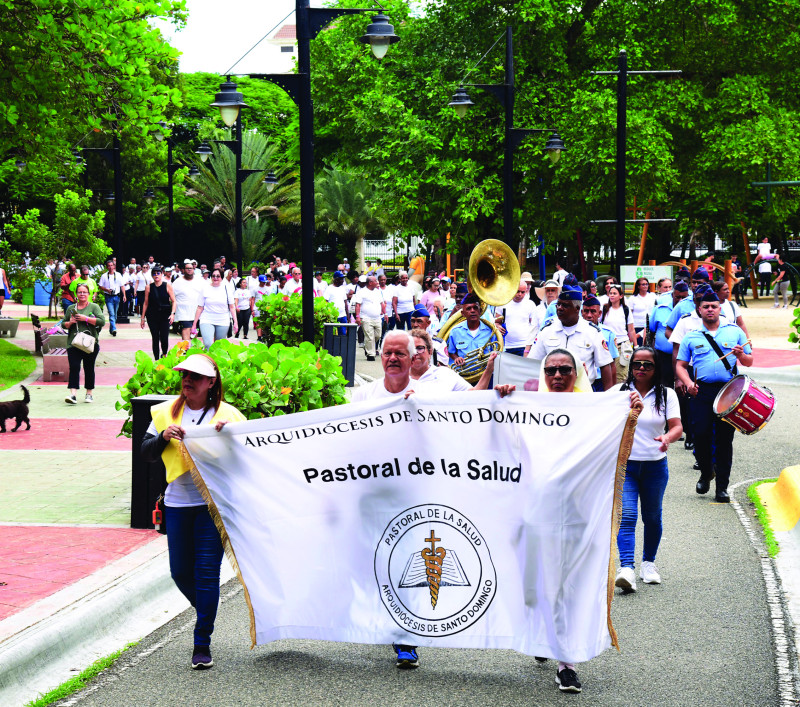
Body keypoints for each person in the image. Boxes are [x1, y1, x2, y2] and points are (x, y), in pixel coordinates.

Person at [351, 329, 513, 670]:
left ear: (414, 359)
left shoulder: (431, 396)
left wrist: (500, 392)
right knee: (373, 563)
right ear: (381, 358)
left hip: (414, 495)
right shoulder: (363, 396)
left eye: (400, 353)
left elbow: (470, 414)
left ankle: (406, 637)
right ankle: (381, 620)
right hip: (373, 493)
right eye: (387, 353)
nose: (393, 358)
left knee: (404, 560)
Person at [141, 353, 246, 670]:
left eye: (196, 377)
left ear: (211, 383)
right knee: (180, 572)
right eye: (185, 374)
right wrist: (163, 437)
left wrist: (231, 437)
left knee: (206, 574)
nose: (188, 380)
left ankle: (202, 643)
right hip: (177, 506)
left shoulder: (229, 415)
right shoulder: (164, 413)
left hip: (212, 506)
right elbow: (145, 452)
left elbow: (247, 458)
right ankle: (207, 611)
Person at [612, 347, 682, 592]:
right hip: (625, 467)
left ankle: (649, 564)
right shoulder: (618, 392)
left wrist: (667, 439)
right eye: (637, 364)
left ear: (656, 368)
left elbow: (677, 427)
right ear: (630, 366)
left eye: (648, 365)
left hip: (655, 466)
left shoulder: (667, 395)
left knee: (652, 517)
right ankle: (627, 569)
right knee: (628, 515)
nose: (641, 368)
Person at [675, 291, 753, 502]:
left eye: (714, 306)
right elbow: (680, 365)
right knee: (700, 435)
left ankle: (722, 487)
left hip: (728, 391)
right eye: (706, 306)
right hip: (701, 391)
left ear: (720, 309)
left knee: (724, 439)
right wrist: (689, 383)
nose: (710, 309)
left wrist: (740, 355)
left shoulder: (734, 331)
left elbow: (749, 361)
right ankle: (706, 472)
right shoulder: (691, 336)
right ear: (699, 310)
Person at [529, 285, 615, 389]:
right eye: (558, 304)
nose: (559, 308)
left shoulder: (592, 332)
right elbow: (533, 363)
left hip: (583, 391)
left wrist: (608, 397)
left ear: (577, 309)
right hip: (553, 391)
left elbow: (605, 365)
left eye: (565, 305)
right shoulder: (546, 331)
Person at [63, 283, 105, 404]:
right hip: (74, 343)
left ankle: (89, 393)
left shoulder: (94, 307)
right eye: (80, 292)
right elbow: (63, 324)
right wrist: (70, 322)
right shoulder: (71, 308)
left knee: (89, 367)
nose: (82, 294)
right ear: (76, 294)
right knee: (74, 367)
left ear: (88, 294)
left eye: (84, 292)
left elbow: (102, 321)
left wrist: (85, 319)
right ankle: (73, 394)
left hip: (90, 343)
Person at [648, 281, 689, 386]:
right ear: (672, 295)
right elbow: (651, 332)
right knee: (662, 388)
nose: (680, 301)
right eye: (677, 297)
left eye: (683, 298)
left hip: (684, 358)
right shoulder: (659, 309)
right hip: (663, 357)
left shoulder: (691, 312)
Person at [446, 293, 499, 370]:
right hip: (463, 374)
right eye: (468, 308)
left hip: (486, 374)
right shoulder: (455, 331)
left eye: (475, 308)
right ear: (463, 313)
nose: (472, 311)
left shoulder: (491, 330)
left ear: (480, 311)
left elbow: (497, 351)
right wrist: (456, 358)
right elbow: (451, 351)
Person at [192, 268, 238, 348]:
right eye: (213, 276)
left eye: (218, 276)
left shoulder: (227, 289)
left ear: (221, 278)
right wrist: (194, 324)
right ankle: (207, 359)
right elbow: (200, 307)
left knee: (218, 346)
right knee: (208, 344)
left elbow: (231, 307)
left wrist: (235, 322)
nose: (215, 278)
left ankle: (214, 360)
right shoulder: (205, 288)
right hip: (207, 318)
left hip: (223, 319)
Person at [580, 296, 619, 391]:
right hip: (583, 379)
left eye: (593, 311)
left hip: (602, 380)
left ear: (599, 313)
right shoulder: (577, 332)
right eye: (586, 311)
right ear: (581, 312)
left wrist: (612, 391)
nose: (589, 315)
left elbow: (612, 364)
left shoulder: (608, 333)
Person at [600, 284, 636, 383]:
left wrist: (636, 346)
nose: (611, 295)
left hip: (622, 345)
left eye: (614, 293)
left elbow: (631, 330)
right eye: (610, 293)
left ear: (621, 296)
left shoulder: (625, 309)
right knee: (608, 373)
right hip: (607, 346)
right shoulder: (605, 309)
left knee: (622, 375)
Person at [141, 266, 176, 359]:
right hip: (152, 315)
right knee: (155, 338)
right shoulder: (148, 287)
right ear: (152, 275)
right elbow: (145, 303)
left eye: (158, 273)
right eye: (154, 273)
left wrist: (172, 314)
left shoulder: (167, 285)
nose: (156, 275)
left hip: (165, 315)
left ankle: (164, 354)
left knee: (164, 337)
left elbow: (174, 301)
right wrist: (142, 318)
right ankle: (156, 359)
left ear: (162, 274)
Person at [496, 279, 538, 356]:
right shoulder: (503, 303)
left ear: (526, 291)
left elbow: (534, 326)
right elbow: (496, 322)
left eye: (523, 292)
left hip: (524, 345)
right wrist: (498, 326)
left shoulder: (530, 304)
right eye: (517, 291)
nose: (520, 294)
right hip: (506, 346)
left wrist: (530, 345)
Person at [353, 275, 385, 361]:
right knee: (369, 336)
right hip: (366, 318)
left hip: (377, 317)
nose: (377, 283)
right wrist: (358, 317)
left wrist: (384, 312)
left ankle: (368, 347)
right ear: (370, 283)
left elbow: (382, 302)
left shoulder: (378, 291)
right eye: (375, 281)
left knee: (378, 335)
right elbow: (358, 305)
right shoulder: (362, 292)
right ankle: (371, 354)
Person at [173, 261, 205, 341]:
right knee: (186, 330)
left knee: (194, 334)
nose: (189, 270)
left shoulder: (200, 281)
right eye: (187, 268)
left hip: (196, 313)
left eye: (191, 268)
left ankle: (193, 351)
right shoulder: (177, 282)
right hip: (184, 313)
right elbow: (172, 297)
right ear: (183, 270)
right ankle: (186, 350)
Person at [98, 259, 126, 337]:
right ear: (107, 267)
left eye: (111, 265)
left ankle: (111, 330)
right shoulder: (104, 276)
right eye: (109, 266)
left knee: (115, 315)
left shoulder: (118, 275)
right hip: (108, 296)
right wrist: (106, 289)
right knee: (111, 313)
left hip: (116, 296)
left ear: (114, 266)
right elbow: (100, 286)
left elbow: (122, 285)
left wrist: (124, 295)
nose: (110, 267)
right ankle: (114, 328)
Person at [629, 277, 656, 344]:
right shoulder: (633, 298)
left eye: (647, 284)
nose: (645, 286)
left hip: (649, 327)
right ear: (638, 286)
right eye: (643, 284)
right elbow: (629, 314)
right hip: (637, 327)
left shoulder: (653, 296)